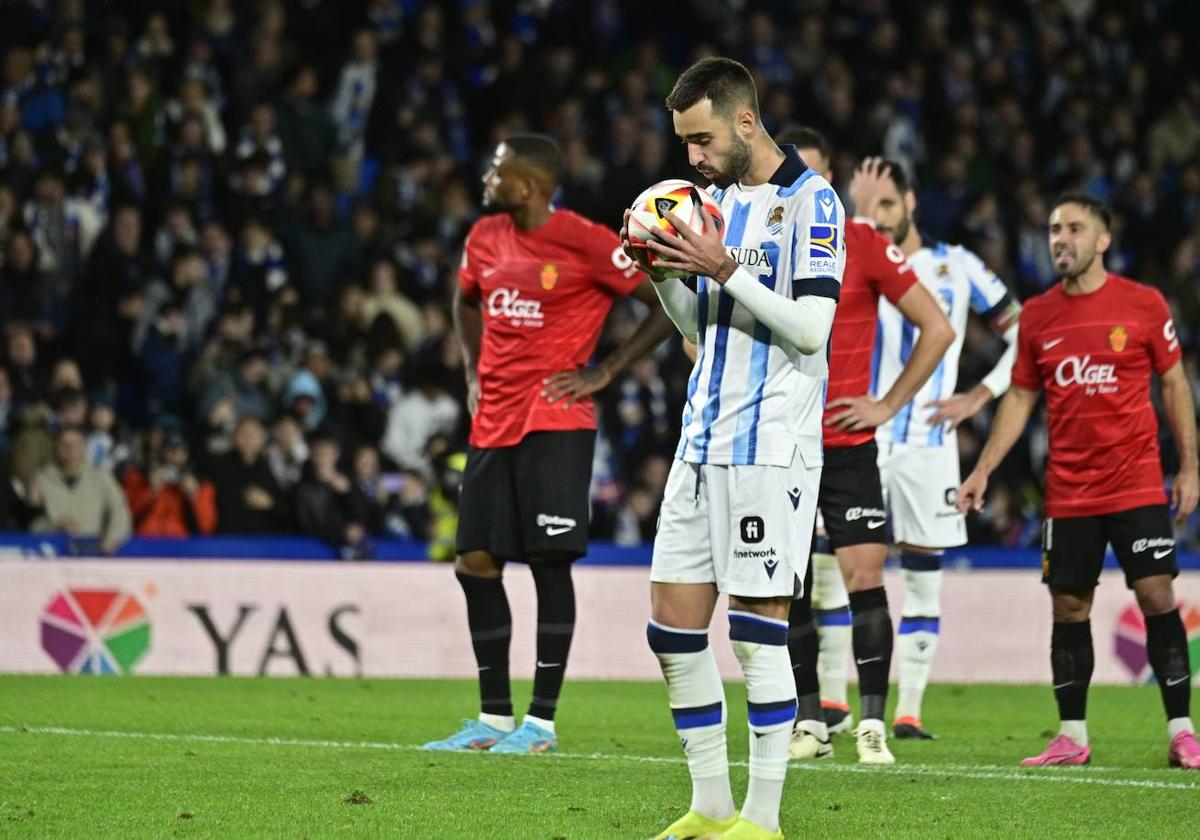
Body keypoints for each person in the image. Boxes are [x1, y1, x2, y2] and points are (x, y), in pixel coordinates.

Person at [634, 58, 843, 840]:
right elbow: (698, 326)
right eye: (685, 143)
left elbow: (812, 331)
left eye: (703, 139)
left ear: (745, 121)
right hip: (702, 437)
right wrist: (662, 273)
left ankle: (762, 817)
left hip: (771, 446)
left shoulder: (813, 203)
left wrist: (722, 267)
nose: (693, 157)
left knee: (757, 633)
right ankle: (710, 806)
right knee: (672, 628)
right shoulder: (714, 202)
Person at [422, 133, 673, 755]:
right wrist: (473, 372)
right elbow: (465, 301)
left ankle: (540, 724)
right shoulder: (484, 237)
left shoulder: (585, 241)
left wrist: (605, 370)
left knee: (548, 562)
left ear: (529, 186)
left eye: (498, 171)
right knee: (475, 563)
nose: (488, 179)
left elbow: (667, 303)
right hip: (493, 421)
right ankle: (493, 718)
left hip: (555, 421)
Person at [957, 193, 1200, 769]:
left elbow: (1173, 385)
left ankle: (1182, 732)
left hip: (1136, 481)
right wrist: (984, 467)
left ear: (1103, 240)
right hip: (1069, 490)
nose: (1060, 239)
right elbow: (1021, 397)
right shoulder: (1039, 316)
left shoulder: (1143, 304)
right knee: (1069, 607)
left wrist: (1190, 466)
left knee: (1157, 594)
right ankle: (1071, 736)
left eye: (1073, 228)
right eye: (1053, 229)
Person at [777, 130, 954, 765]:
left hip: (847, 445)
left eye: (815, 177)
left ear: (830, 183)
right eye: (793, 177)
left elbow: (937, 328)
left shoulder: (864, 243)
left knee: (864, 577)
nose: (804, 189)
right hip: (780, 444)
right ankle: (808, 724)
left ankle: (872, 726)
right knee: (789, 584)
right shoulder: (760, 245)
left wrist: (887, 405)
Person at [830, 158, 1022, 741]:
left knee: (922, 575)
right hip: (855, 436)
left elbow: (1026, 335)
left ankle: (908, 711)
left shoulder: (957, 265)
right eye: (872, 206)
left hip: (928, 445)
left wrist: (980, 394)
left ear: (911, 201)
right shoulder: (843, 252)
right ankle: (834, 704)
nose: (882, 216)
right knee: (833, 572)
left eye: (890, 204)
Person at [29, 425, 132, 554]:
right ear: (56, 448)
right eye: (64, 445)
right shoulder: (42, 479)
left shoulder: (101, 478)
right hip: (51, 551)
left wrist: (112, 538)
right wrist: (55, 526)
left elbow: (120, 512)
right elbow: (33, 524)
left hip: (93, 551)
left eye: (76, 445)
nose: (70, 450)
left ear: (84, 448)